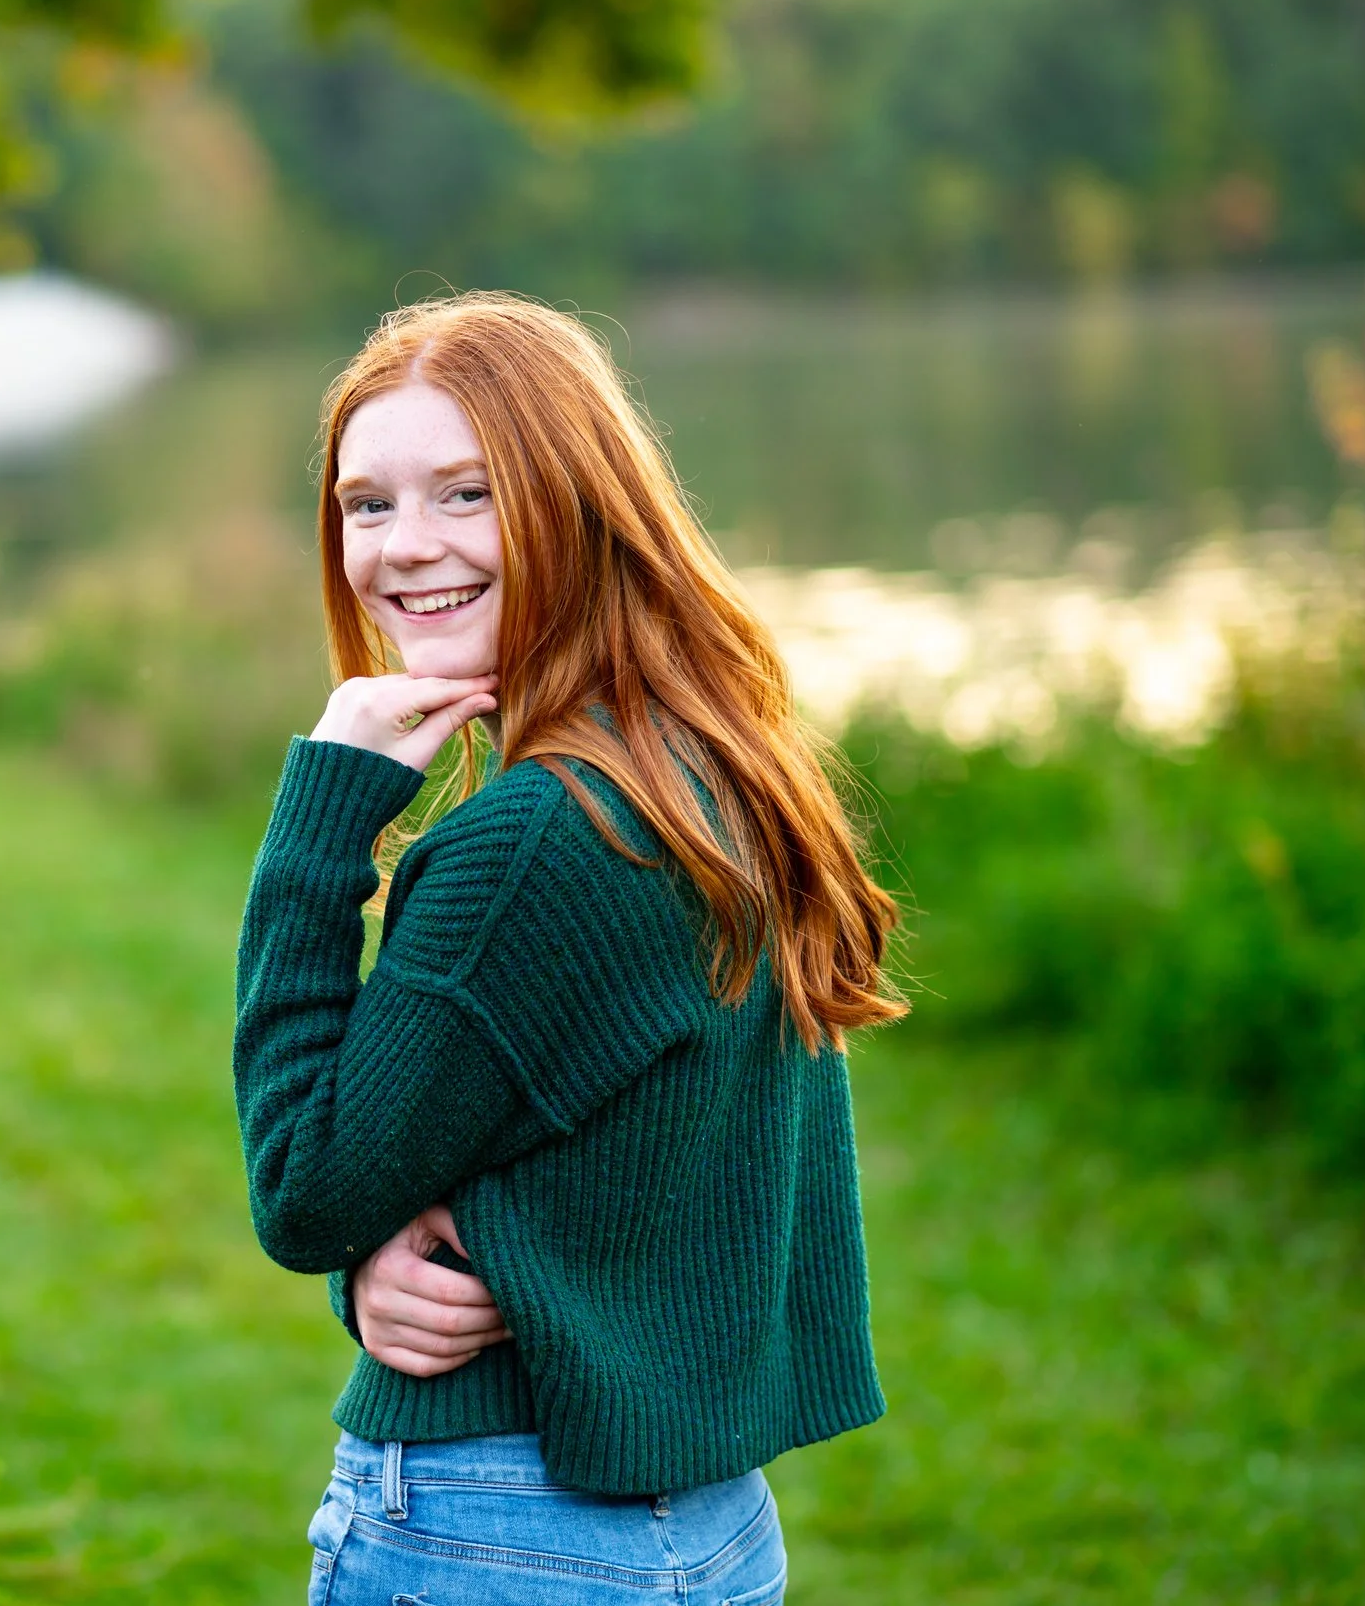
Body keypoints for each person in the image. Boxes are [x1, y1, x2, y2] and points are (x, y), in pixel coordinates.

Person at [233, 292, 905, 1605]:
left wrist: (319, 824)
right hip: (700, 1533)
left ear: (574, 496)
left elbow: (306, 1186)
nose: (402, 548)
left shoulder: (534, 842)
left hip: (505, 1533)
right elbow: (613, 1175)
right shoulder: (705, 770)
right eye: (367, 504)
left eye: (464, 493)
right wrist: (385, 1271)